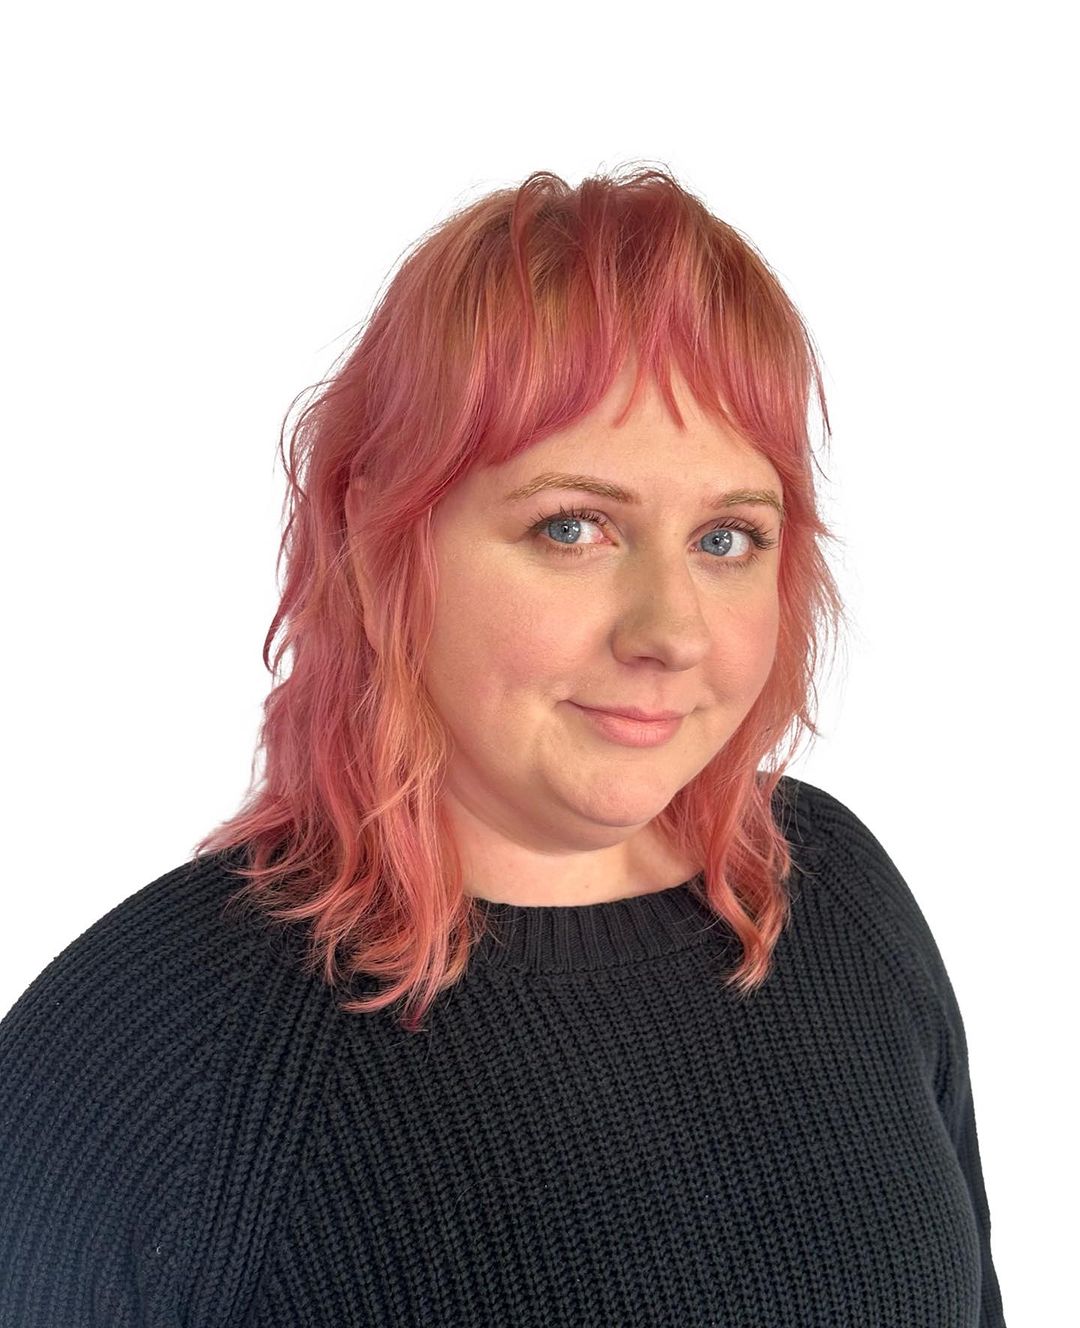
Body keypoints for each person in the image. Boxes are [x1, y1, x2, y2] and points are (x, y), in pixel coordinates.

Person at [0, 165, 1006, 1326]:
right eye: (571, 526)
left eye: (727, 536)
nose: (670, 631)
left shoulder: (834, 899)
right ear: (383, 535)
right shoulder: (151, 1053)